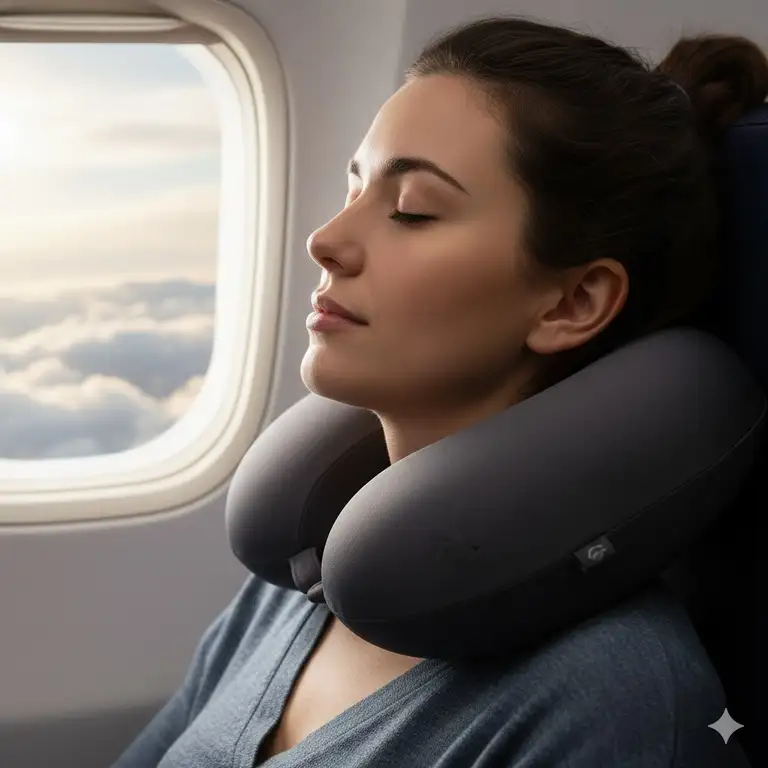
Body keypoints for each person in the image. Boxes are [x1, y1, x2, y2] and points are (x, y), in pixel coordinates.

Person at [112, 15, 767, 767]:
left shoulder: (613, 696)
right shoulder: (302, 578)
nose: (325, 240)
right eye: (353, 187)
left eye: (412, 210)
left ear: (571, 303)